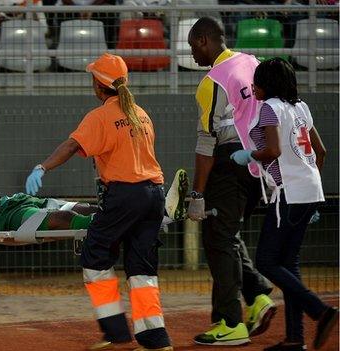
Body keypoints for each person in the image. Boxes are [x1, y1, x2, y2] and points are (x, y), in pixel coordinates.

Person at [24, 53, 172, 351]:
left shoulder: (101, 116)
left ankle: (115, 331)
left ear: (97, 84)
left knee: (95, 255)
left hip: (124, 196)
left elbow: (71, 145)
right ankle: (155, 340)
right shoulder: (140, 113)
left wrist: (43, 167)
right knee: (142, 268)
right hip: (154, 195)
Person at [230, 58, 338, 351]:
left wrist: (250, 156)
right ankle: (294, 339)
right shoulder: (300, 107)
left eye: (258, 83)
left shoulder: (269, 108)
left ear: (267, 85)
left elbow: (273, 150)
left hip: (287, 192)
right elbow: (321, 152)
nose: (253, 87)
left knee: (266, 261)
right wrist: (310, 187)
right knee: (289, 263)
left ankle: (320, 310)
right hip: (309, 189)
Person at [186, 17, 275, 346]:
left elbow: (206, 144)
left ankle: (229, 322)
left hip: (231, 164)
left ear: (205, 40)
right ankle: (257, 296)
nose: (192, 54)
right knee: (226, 233)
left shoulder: (212, 81)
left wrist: (197, 193)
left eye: (193, 46)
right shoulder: (254, 63)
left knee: (217, 241)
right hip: (262, 163)